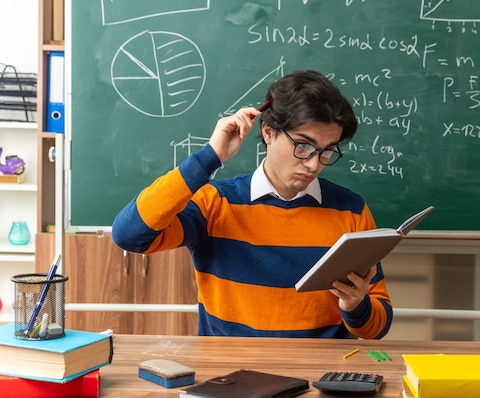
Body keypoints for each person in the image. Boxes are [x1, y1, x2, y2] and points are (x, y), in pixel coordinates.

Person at [112, 70, 393, 339]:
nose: (313, 163)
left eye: (327, 151)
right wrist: (209, 157)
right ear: (269, 132)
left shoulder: (350, 210)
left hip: (321, 372)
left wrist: (355, 307)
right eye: (303, 146)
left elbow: (378, 326)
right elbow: (129, 235)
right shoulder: (216, 203)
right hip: (231, 369)